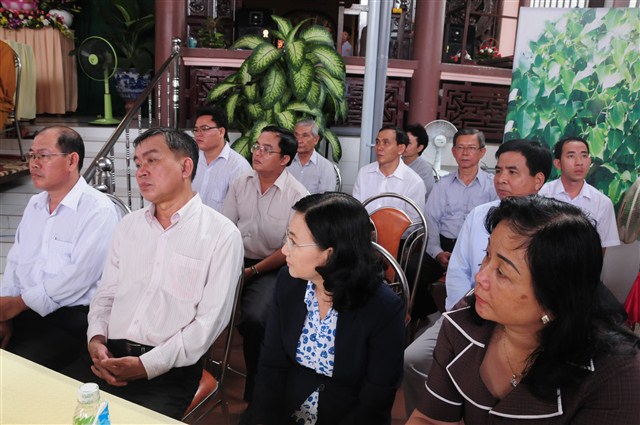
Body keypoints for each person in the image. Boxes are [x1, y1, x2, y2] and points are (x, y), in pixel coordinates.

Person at [407, 195, 640, 424]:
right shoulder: (465, 324)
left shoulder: (615, 373)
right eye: (487, 256)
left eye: (502, 272)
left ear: (555, 294)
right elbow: (430, 419)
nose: (480, 277)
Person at [66, 128, 244, 419]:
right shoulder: (129, 226)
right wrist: (96, 340)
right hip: (108, 353)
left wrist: (146, 365)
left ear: (185, 167)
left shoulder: (221, 235)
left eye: (152, 160)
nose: (141, 172)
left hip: (169, 368)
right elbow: (106, 294)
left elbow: (208, 323)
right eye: (138, 163)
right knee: (55, 408)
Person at [403, 139, 551, 416]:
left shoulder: (553, 227)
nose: (501, 179)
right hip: (472, 310)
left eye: (512, 172)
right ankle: (431, 414)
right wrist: (465, 317)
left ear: (538, 180)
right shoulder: (480, 215)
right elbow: (458, 271)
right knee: (412, 359)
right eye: (498, 171)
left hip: (525, 324)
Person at [247, 192, 405, 425]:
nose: (285, 250)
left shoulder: (383, 308)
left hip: (346, 414)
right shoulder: (289, 282)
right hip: (287, 405)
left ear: (329, 254)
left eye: (294, 242)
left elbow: (375, 398)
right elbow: (271, 363)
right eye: (287, 238)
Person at [0, 126, 119, 371]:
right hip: (22, 309)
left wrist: (19, 303)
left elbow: (80, 277)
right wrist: (5, 312)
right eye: (32, 155)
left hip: (69, 317)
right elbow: (15, 261)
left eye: (43, 156)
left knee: (14, 369)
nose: (34, 163)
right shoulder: (35, 205)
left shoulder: (98, 209)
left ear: (71, 160)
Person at [222, 125, 309, 403]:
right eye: (257, 146)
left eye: (267, 149)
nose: (257, 153)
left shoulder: (297, 195)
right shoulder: (241, 183)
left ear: (284, 159)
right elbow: (226, 228)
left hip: (273, 266)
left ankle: (257, 389)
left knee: (256, 318)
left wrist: (252, 272)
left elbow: (288, 249)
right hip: (237, 259)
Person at [407, 128, 497, 325]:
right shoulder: (443, 184)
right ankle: (422, 317)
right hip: (445, 245)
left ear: (482, 152)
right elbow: (431, 220)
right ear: (454, 152)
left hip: (477, 248)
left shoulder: (492, 185)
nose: (465, 153)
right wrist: (437, 252)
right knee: (412, 269)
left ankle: (472, 322)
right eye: (460, 148)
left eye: (471, 148)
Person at [538, 136, 620, 251]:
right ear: (558, 163)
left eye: (584, 156)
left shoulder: (603, 203)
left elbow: (600, 250)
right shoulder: (541, 195)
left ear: (589, 161)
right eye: (571, 156)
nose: (579, 162)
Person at [353, 125, 426, 222]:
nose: (379, 147)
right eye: (377, 142)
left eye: (386, 143)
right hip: (364, 230)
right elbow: (355, 209)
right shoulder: (364, 173)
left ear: (400, 149)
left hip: (398, 232)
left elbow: (415, 222)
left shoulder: (414, 182)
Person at [191, 105, 251, 211]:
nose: (198, 134)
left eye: (204, 129)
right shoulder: (191, 159)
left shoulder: (238, 167)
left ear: (221, 132)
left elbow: (244, 211)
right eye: (196, 130)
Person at [288, 119, 336, 194]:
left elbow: (326, 199)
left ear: (316, 140)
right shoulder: (286, 162)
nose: (299, 140)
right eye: (296, 135)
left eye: (305, 136)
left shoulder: (325, 167)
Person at [402, 124, 435, 200]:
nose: (404, 145)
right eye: (403, 141)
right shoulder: (395, 161)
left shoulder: (425, 168)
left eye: (409, 143)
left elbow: (423, 193)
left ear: (419, 148)